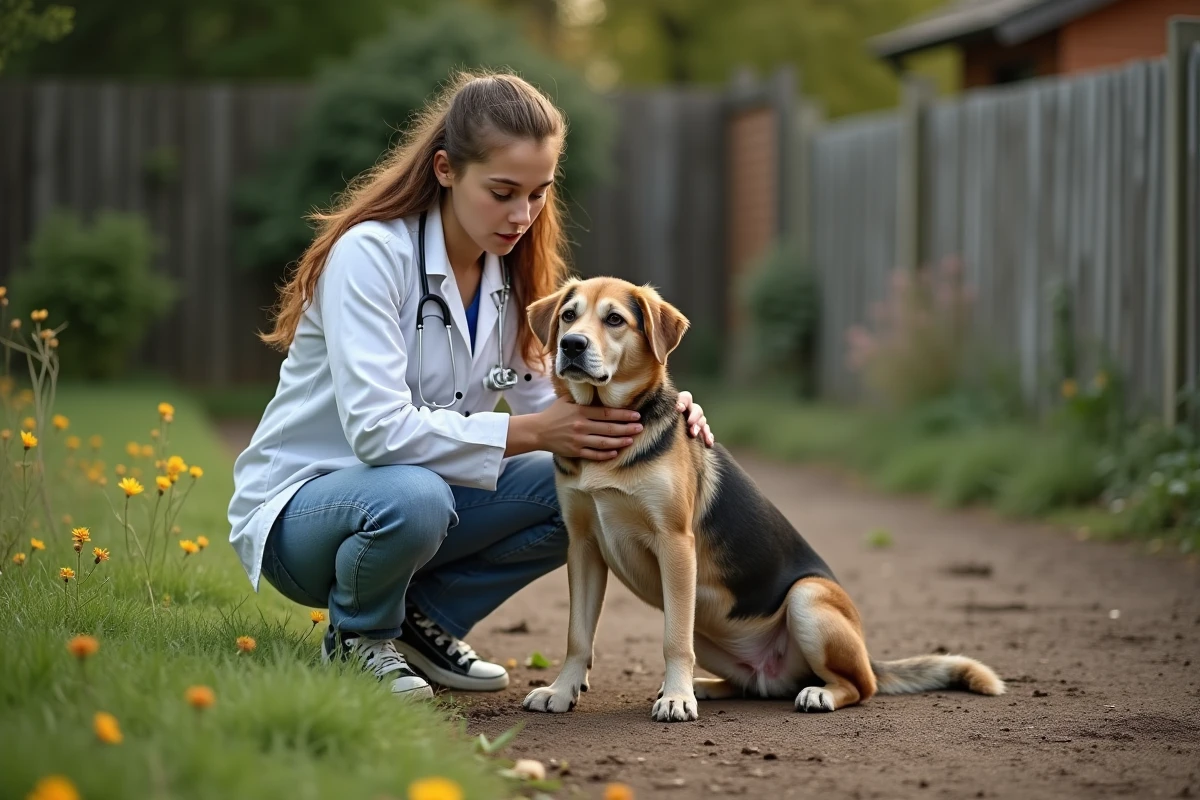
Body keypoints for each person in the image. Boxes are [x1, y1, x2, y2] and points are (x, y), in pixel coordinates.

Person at [227, 70, 715, 700]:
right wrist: (529, 431)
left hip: (421, 501)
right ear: (445, 170)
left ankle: (420, 626)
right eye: (504, 191)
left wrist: (660, 414)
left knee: (573, 481)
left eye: (538, 195)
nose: (522, 215)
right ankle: (358, 637)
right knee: (417, 495)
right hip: (307, 511)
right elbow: (378, 432)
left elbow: (563, 411)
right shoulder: (370, 256)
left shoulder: (510, 280)